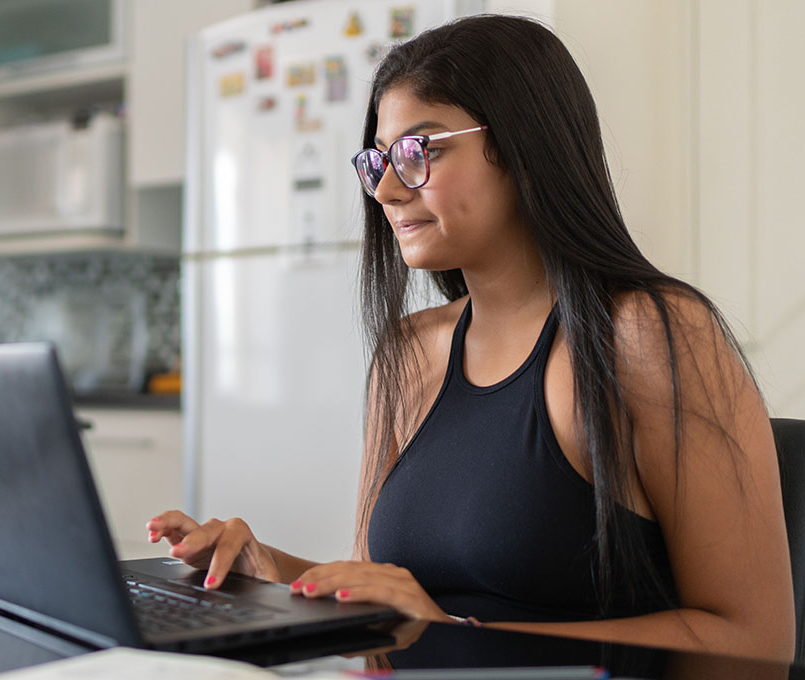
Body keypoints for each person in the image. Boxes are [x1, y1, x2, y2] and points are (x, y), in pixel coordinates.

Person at [148, 14, 795, 663]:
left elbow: (754, 645)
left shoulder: (650, 337)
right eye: (378, 159)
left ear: (523, 146)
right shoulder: (406, 352)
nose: (386, 189)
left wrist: (458, 637)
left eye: (419, 151)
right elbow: (382, 598)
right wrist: (267, 572)